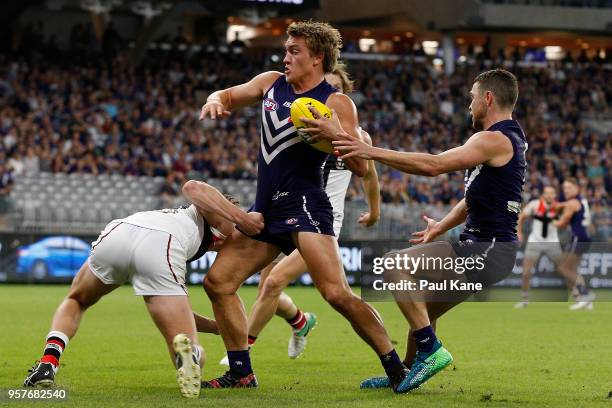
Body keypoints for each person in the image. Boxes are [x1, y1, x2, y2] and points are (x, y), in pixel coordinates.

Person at [199, 20, 410, 392]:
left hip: (307, 207)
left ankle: (396, 369)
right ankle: (241, 373)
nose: (286, 58)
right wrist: (215, 99)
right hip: (265, 211)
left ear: (317, 58)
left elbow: (361, 167)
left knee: (335, 294)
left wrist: (334, 133)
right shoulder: (269, 83)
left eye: (294, 51)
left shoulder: (336, 102)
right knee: (218, 282)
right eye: (286, 50)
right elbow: (228, 96)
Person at [328, 69, 526, 392]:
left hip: (486, 250)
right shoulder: (510, 138)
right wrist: (440, 227)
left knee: (394, 265)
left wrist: (370, 151)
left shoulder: (493, 139)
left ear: (488, 98)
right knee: (421, 310)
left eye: (472, 97)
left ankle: (432, 351)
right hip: (492, 251)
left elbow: (433, 166)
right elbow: (472, 200)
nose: (469, 105)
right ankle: (405, 373)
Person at [23, 180, 264, 399]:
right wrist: (242, 218)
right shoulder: (223, 217)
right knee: (184, 344)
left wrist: (214, 326)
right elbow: (193, 187)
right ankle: (191, 356)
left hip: (119, 233)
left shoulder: (180, 217)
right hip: (163, 244)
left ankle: (48, 362)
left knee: (77, 300)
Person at [217, 64, 381, 366]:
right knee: (271, 287)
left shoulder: (357, 136)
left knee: (278, 284)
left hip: (320, 219)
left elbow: (368, 175)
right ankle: (300, 321)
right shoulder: (300, 126)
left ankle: (242, 352)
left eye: (333, 90)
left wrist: (374, 210)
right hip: (286, 212)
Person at [515, 186, 563, 308]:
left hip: (552, 242)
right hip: (535, 241)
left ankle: (578, 296)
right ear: (543, 195)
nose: (549, 195)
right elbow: (521, 217)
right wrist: (519, 232)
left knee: (565, 270)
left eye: (551, 193)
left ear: (555, 195)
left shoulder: (559, 207)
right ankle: (525, 300)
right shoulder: (535, 205)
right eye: (547, 193)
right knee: (526, 272)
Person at [554, 178, 595, 310]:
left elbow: (561, 224)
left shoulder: (573, 202)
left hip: (578, 237)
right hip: (583, 237)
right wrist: (560, 206)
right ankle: (583, 301)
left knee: (564, 269)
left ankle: (585, 294)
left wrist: (549, 221)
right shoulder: (580, 200)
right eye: (564, 188)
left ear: (576, 188)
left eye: (569, 187)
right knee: (570, 270)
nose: (566, 190)